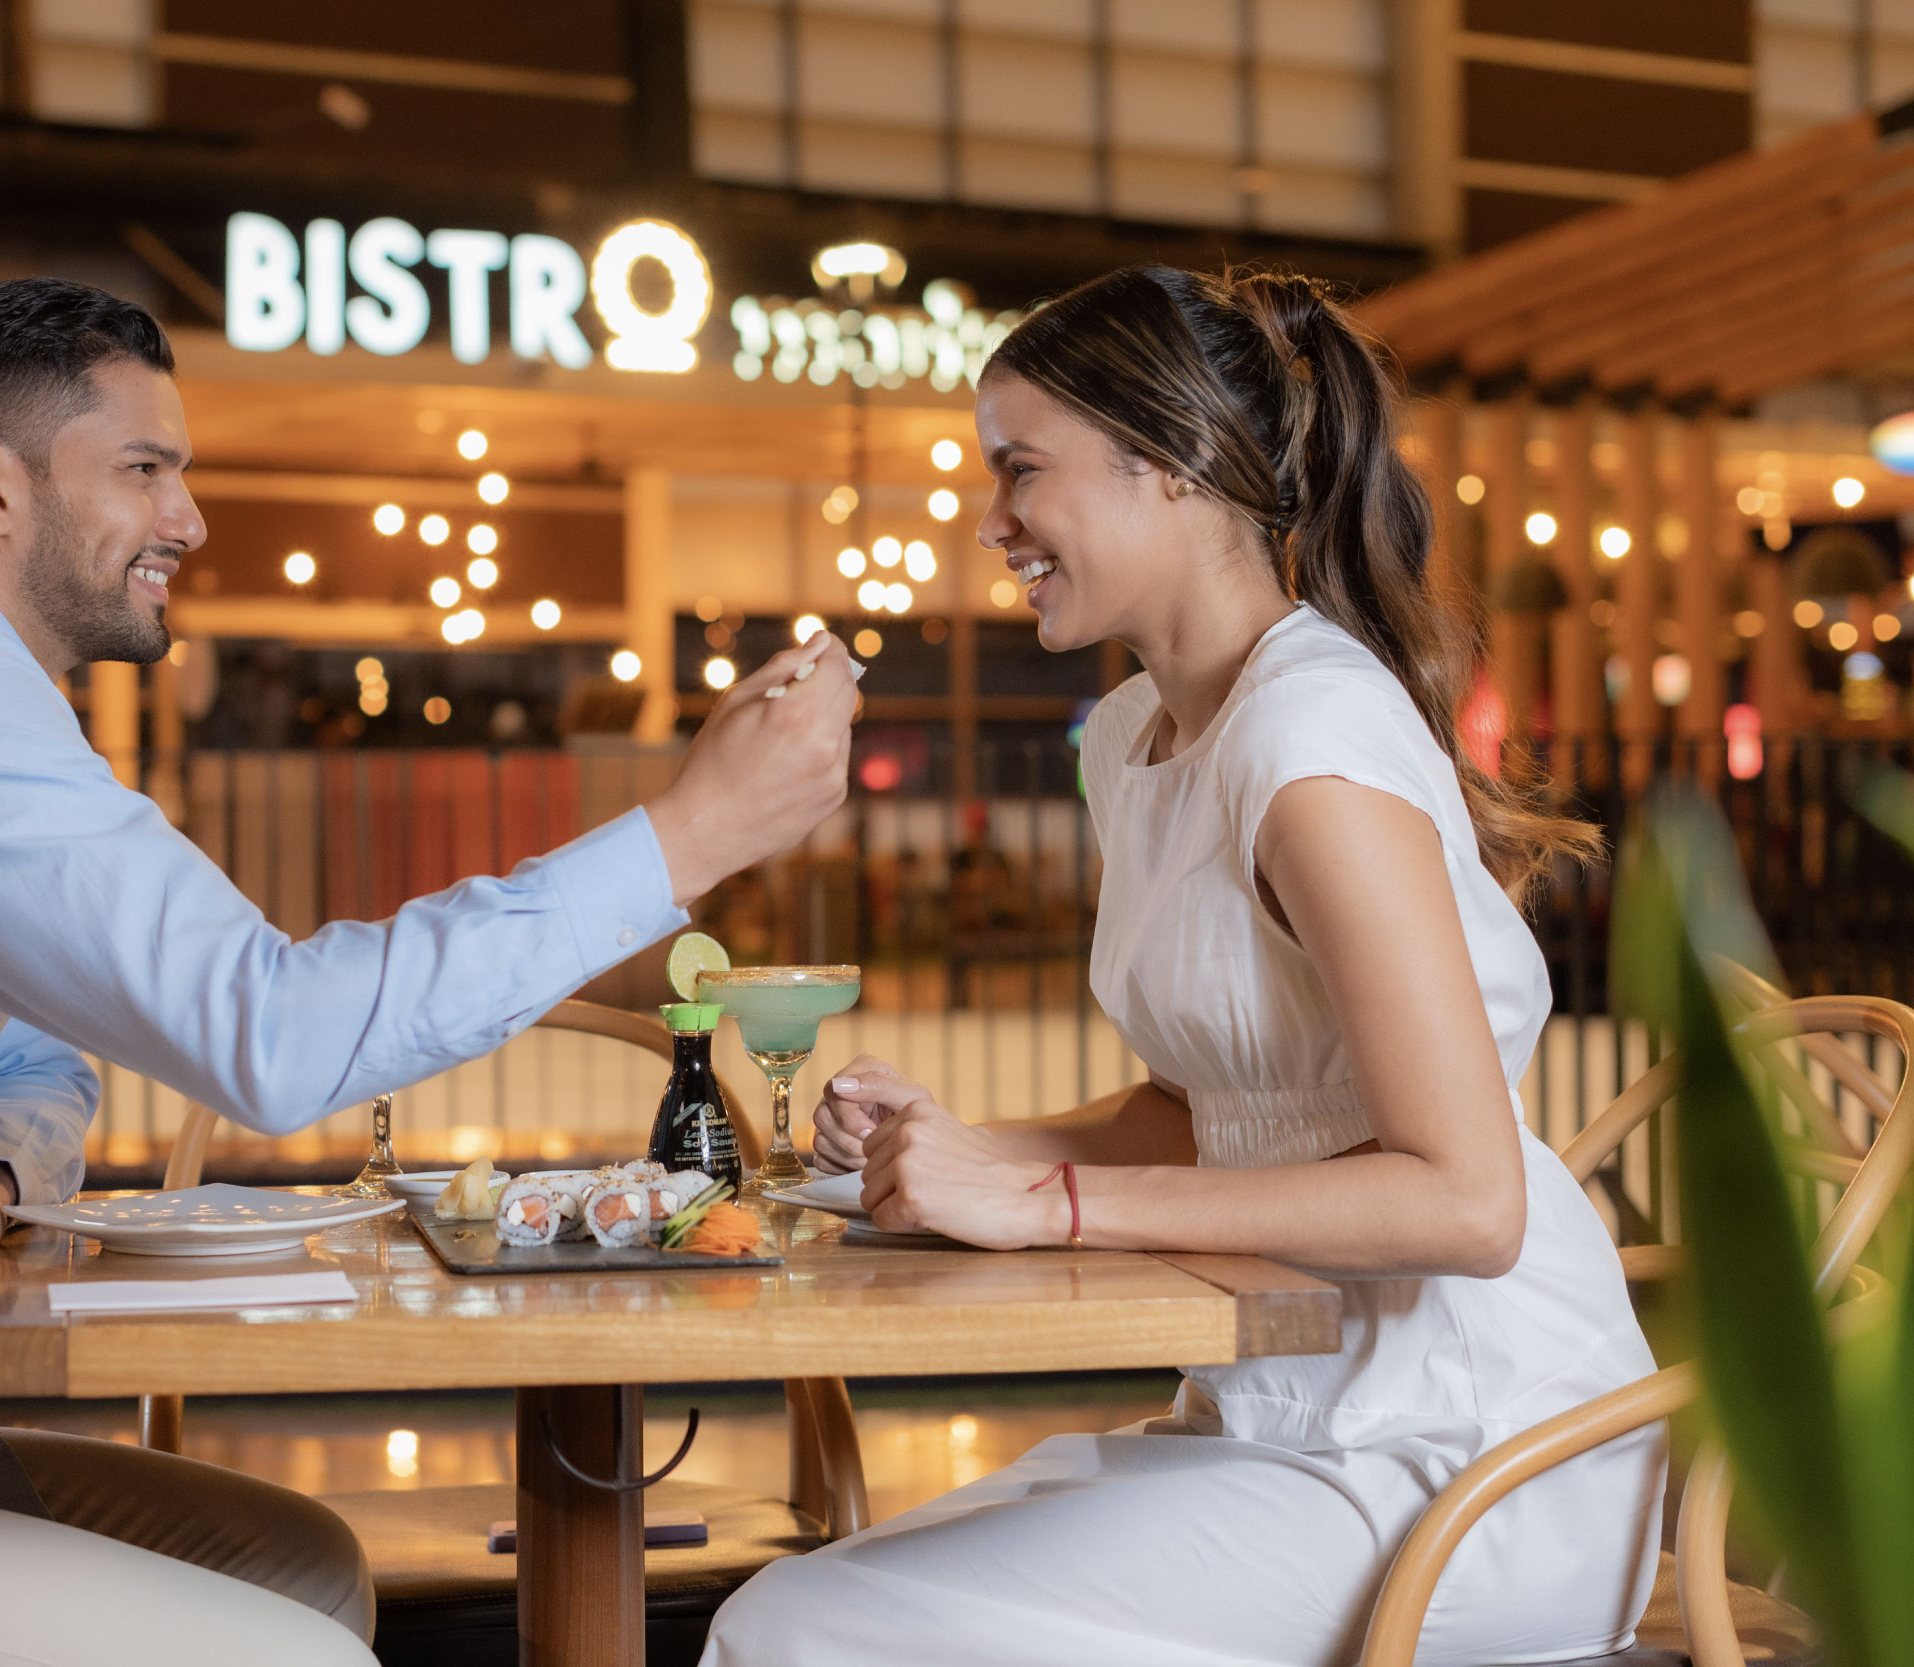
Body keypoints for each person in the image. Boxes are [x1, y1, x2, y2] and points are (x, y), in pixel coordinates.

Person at [0, 278, 859, 1667]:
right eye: (142, 468)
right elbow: (270, 1032)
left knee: (299, 1566)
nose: (188, 517)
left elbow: (36, 1053)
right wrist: (691, 834)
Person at [705, 266, 1661, 1666]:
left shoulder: (1309, 737)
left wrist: (1041, 1201)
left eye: (1021, 471)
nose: (992, 524)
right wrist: (946, 1157)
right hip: (1290, 1416)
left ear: (1169, 463)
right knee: (838, 1600)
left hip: (1473, 1460)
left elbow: (1470, 1201)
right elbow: (1197, 1109)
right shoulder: (1136, 739)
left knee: (804, 1628)